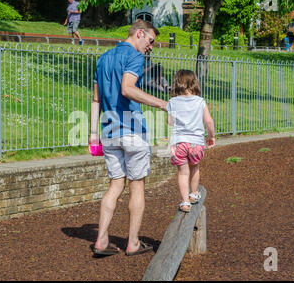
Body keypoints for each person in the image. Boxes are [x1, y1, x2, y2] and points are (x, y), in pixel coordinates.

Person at [90, 19, 167, 256]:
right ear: (140, 34)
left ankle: (101, 240)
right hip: (131, 130)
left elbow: (95, 100)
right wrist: (163, 104)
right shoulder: (135, 56)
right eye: (151, 41)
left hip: (108, 131)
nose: (151, 46)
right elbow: (127, 88)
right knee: (137, 186)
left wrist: (93, 135)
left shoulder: (103, 58)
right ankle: (132, 243)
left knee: (115, 186)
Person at [166, 70, 215, 213]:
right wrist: (211, 136)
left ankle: (185, 202)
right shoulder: (200, 101)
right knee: (194, 167)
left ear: (177, 83)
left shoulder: (172, 102)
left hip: (178, 143)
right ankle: (193, 194)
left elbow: (170, 122)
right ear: (194, 83)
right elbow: (209, 121)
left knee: (182, 173)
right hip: (196, 142)